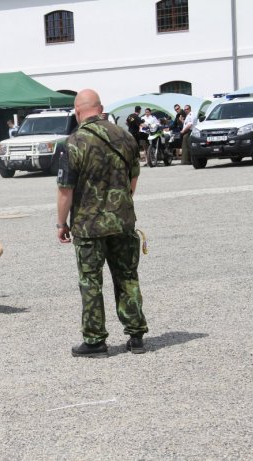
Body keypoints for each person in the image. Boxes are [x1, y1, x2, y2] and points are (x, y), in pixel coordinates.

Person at [56, 88, 148, 358]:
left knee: (91, 282)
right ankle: (136, 335)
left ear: (77, 111)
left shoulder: (74, 142)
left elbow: (65, 190)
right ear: (101, 107)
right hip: (122, 222)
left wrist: (61, 224)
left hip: (89, 226)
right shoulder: (125, 136)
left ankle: (95, 341)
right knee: (127, 276)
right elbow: (133, 179)